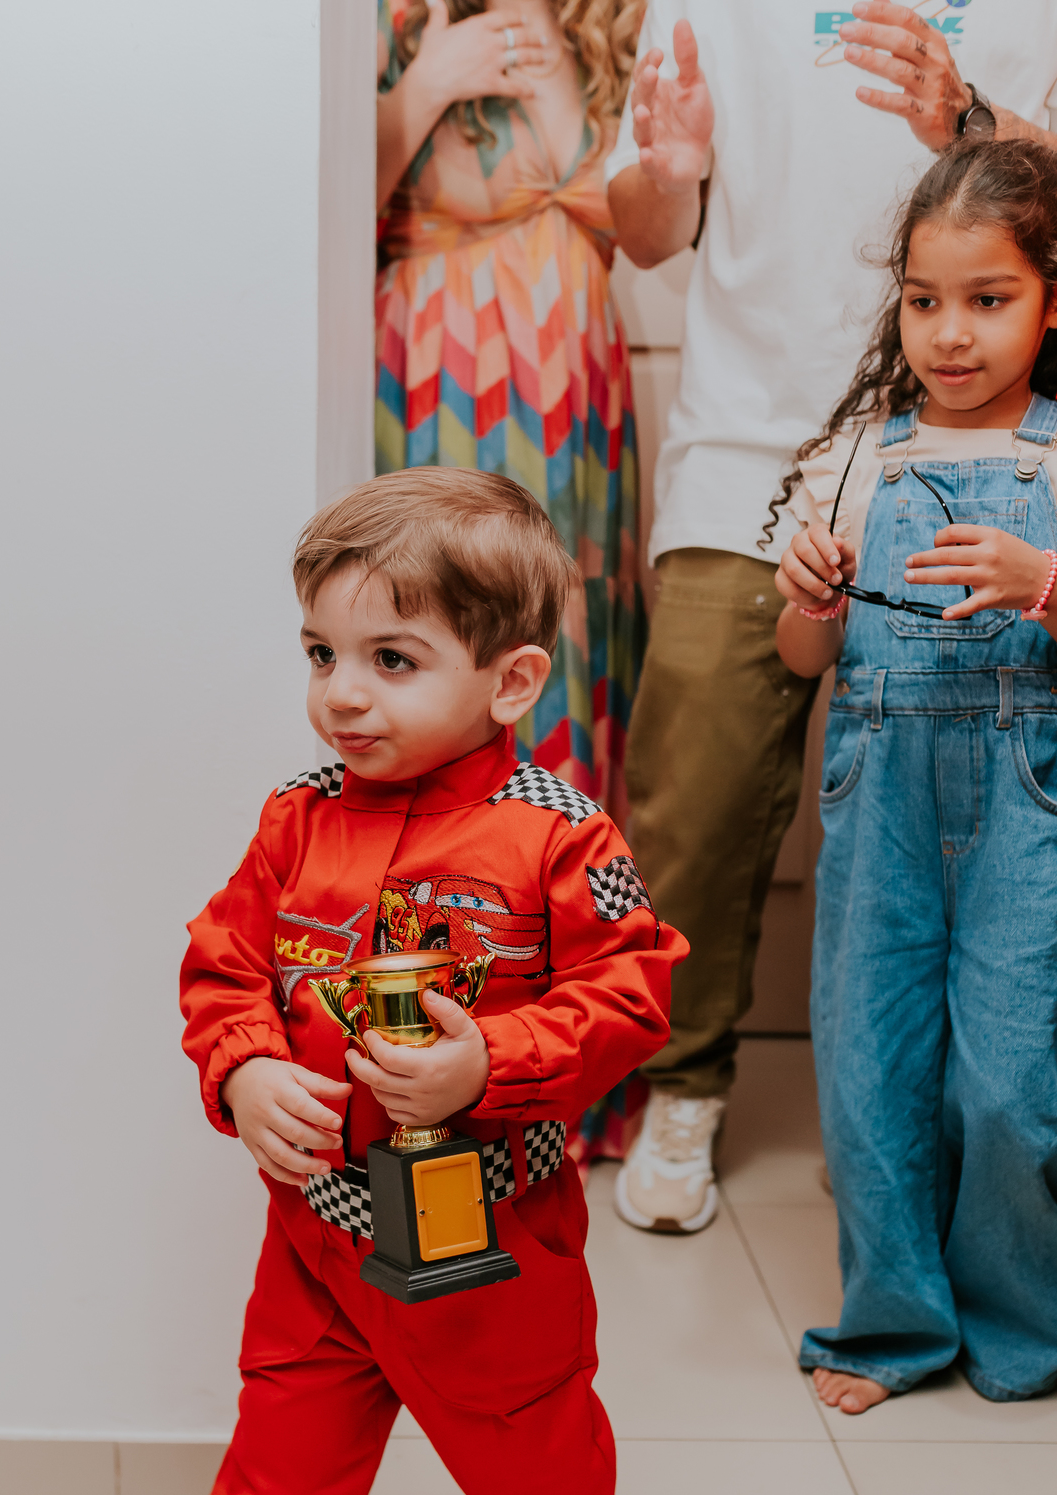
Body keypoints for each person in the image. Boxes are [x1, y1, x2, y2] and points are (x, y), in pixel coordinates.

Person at [115, 468, 687, 1495]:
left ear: (512, 679)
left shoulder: (558, 837)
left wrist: (495, 1064)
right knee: (281, 1446)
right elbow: (223, 966)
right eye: (322, 652)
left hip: (489, 1239)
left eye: (392, 657)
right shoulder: (296, 820)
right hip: (319, 1231)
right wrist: (247, 1069)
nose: (343, 693)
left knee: (528, 1435)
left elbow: (634, 991)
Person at [603, 2, 1057, 1236]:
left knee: (966, 824)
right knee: (691, 790)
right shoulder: (706, 13)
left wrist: (964, 122)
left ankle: (906, 1122)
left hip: (973, 439)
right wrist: (667, 171)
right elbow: (642, 234)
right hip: (747, 451)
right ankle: (681, 1088)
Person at [774, 139, 1057, 1414]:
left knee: (1009, 1079)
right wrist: (806, 598)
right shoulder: (852, 452)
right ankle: (891, 1327)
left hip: (1026, 801)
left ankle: (1018, 1323)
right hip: (877, 788)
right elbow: (803, 651)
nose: (951, 334)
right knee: (872, 1059)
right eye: (925, 300)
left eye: (988, 300)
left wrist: (1039, 583)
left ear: (1052, 300)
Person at [375, 0, 645, 837]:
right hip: (441, 369)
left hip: (577, 389)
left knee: (568, 622)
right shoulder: (389, 19)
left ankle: (555, 891)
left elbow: (640, 212)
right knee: (443, 612)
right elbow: (315, 208)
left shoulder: (605, 18)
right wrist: (425, 86)